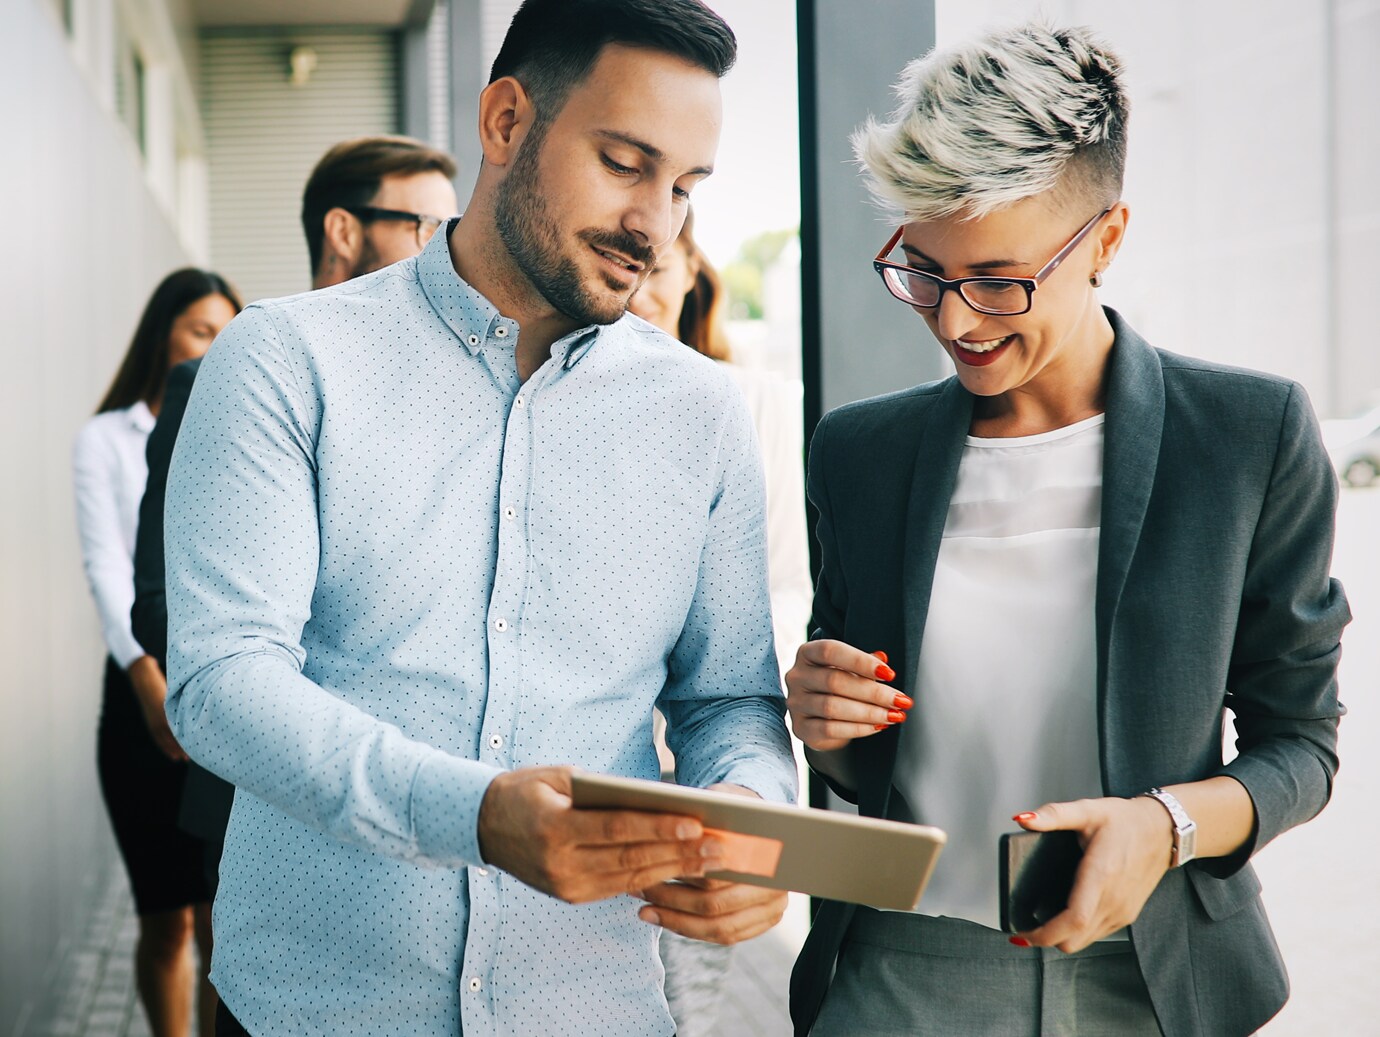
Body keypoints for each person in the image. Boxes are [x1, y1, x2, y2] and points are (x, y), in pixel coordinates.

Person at [162, 2, 798, 1035]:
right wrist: (472, 814)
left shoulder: (704, 414)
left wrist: (754, 826)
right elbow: (222, 681)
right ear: (505, 120)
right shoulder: (284, 360)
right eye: (626, 163)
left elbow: (728, 698)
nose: (656, 222)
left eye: (683, 187)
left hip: (594, 1009)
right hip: (312, 1011)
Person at [786, 22, 1349, 1037]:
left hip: (1152, 973)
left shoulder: (1244, 436)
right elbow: (863, 759)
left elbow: (1299, 742)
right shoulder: (857, 453)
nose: (957, 321)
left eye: (999, 280)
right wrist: (828, 722)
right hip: (901, 973)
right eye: (924, 268)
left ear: (1108, 238)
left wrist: (1164, 826)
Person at [132, 134, 462, 906]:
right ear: (344, 231)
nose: (444, 252)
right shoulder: (228, 380)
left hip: (424, 818)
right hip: (259, 792)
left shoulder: (444, 396)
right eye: (423, 227)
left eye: (452, 230)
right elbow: (157, 605)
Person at [629, 208, 811, 1036]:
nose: (641, 290)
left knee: (685, 1003)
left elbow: (778, 589)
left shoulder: (755, 403)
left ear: (692, 272)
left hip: (701, 758)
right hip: (592, 767)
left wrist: (746, 783)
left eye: (660, 267)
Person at [72, 268, 241, 1037]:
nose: (216, 347)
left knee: (217, 916)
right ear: (164, 336)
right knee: (163, 918)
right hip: (139, 694)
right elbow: (110, 567)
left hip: (215, 694)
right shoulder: (105, 437)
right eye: (202, 332)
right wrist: (148, 681)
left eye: (226, 332)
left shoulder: (239, 418)